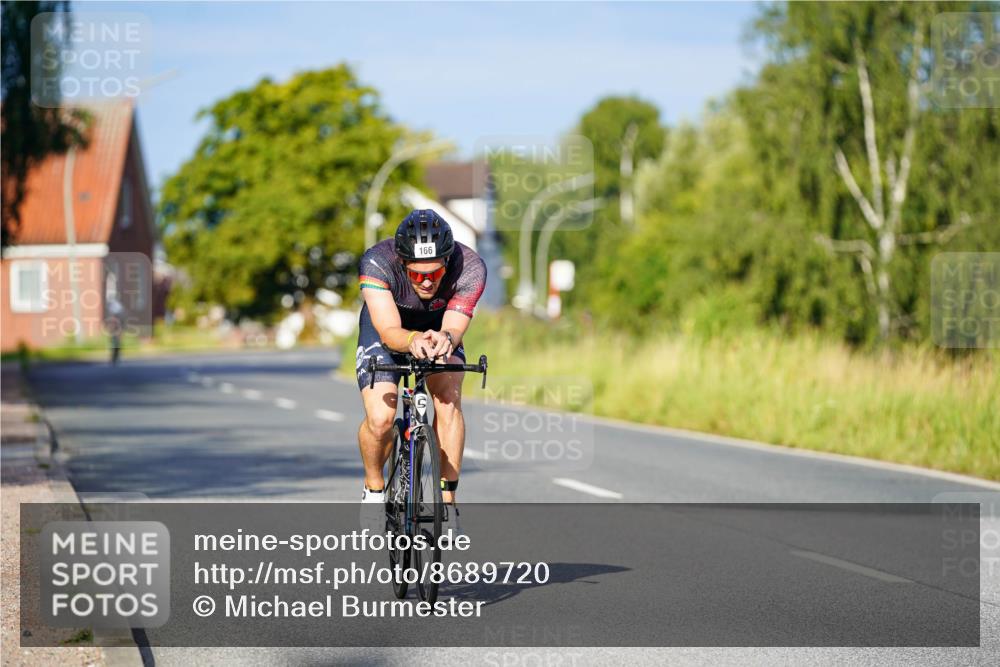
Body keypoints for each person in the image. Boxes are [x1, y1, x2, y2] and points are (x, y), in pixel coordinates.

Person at [355, 209, 486, 534]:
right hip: (390, 330)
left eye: (435, 273)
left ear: (447, 261)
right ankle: (373, 486)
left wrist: (444, 339)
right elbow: (387, 330)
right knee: (381, 419)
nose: (426, 281)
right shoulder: (377, 262)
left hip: (438, 329)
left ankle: (449, 500)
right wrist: (412, 340)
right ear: (402, 264)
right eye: (416, 275)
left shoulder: (470, 267)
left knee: (448, 397)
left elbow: (455, 328)